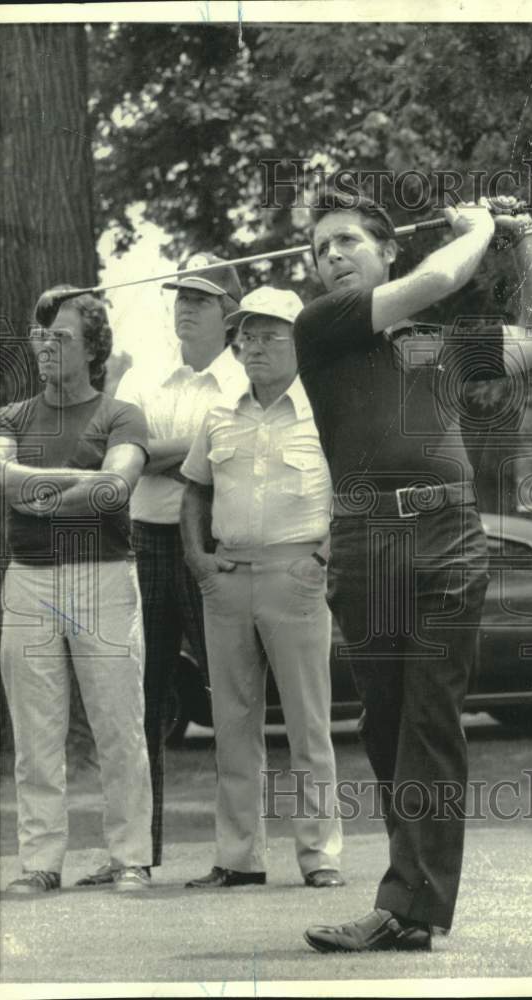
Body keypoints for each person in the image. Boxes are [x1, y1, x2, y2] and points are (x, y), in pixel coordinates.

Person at [294, 191, 532, 951]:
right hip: (365, 541)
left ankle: (408, 905)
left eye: (347, 241)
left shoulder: (438, 346)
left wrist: (522, 237)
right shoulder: (321, 328)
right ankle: (411, 900)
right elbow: (437, 279)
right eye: (321, 250)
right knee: (385, 728)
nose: (332, 257)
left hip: (448, 533)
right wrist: (478, 229)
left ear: (387, 249)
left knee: (429, 723)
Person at [78, 254, 249, 883]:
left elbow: (231, 451)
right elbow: (113, 451)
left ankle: (237, 855)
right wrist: (190, 445)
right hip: (146, 541)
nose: (185, 306)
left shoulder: (244, 379)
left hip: (214, 538)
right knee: (140, 701)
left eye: (200, 299)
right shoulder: (150, 375)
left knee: (231, 697)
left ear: (229, 316)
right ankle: (135, 856)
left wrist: (153, 450)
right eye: (181, 296)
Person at [180, 286, 344, 890]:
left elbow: (352, 490)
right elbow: (195, 488)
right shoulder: (219, 413)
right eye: (245, 335)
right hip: (226, 579)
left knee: (309, 725)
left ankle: (319, 855)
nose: (253, 347)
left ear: (299, 341)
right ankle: (239, 857)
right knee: (232, 725)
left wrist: (322, 558)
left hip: (297, 577)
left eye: (269, 335)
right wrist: (197, 558)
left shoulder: (327, 409)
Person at [0, 289, 153, 894]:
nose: (44, 345)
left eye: (60, 336)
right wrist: (78, 483)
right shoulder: (11, 416)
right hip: (29, 579)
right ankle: (40, 862)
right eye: (41, 335)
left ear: (94, 349)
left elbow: (116, 489)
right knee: (35, 732)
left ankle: (130, 857)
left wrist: (36, 491)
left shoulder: (121, 415)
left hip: (104, 576)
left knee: (119, 725)